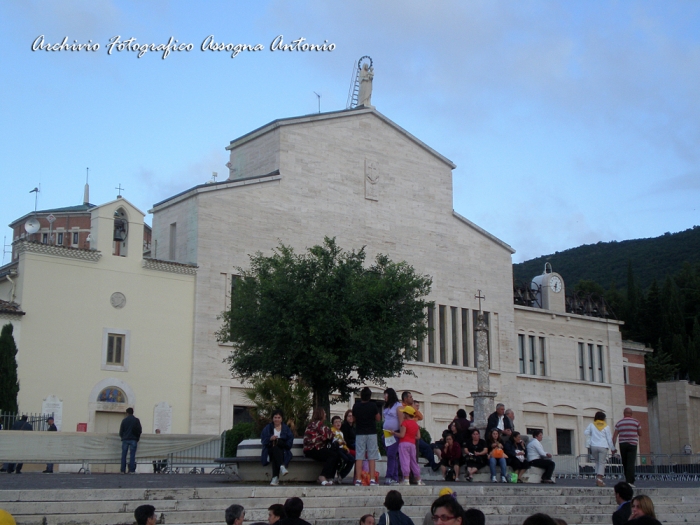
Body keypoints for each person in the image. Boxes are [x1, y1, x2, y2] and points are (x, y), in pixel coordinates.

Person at [401, 391, 440, 471]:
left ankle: (431, 463)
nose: (412, 399)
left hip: (414, 433)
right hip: (408, 434)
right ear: (405, 399)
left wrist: (413, 407)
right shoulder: (402, 407)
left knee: (425, 448)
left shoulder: (411, 408)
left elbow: (421, 417)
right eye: (410, 397)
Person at [303, 407, 339, 486]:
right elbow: (330, 435)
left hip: (310, 449)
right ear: (321, 414)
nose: (325, 414)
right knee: (333, 455)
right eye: (324, 413)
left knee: (334, 453)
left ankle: (329, 477)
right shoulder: (318, 424)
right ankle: (323, 476)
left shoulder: (312, 424)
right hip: (313, 449)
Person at [353, 386, 381, 486]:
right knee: (372, 456)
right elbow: (378, 418)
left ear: (361, 396)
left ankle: (358, 480)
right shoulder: (373, 406)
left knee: (359, 456)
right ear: (370, 396)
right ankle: (372, 479)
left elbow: (353, 419)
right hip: (371, 432)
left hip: (360, 432)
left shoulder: (356, 406)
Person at [261, 409, 294, 486]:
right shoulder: (268, 428)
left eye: (279, 417)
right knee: (275, 449)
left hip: (283, 451)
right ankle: (282, 467)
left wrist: (280, 441)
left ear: (281, 419)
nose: (277, 419)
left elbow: (289, 442)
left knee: (277, 451)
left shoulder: (286, 429)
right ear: (272, 418)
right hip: (270, 450)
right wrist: (270, 438)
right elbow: (263, 440)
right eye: (275, 417)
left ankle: (275, 478)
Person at [584, 411, 616, 487]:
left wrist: (590, 439)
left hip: (593, 446)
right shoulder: (606, 426)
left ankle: (597, 479)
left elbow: (586, 432)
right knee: (602, 463)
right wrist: (612, 448)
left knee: (597, 462)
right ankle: (600, 479)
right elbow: (609, 438)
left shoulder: (592, 425)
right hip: (603, 446)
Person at [394, 405, 424, 486]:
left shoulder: (404, 423)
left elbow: (402, 435)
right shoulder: (415, 424)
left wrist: (394, 433)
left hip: (403, 444)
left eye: (404, 413)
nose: (403, 414)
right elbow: (418, 436)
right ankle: (418, 480)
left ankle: (406, 479)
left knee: (405, 461)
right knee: (414, 462)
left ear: (407, 414)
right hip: (412, 444)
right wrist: (411, 436)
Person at [613, 407, 642, 486]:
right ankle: (630, 481)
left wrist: (613, 447)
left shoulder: (619, 423)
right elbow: (640, 433)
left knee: (625, 462)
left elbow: (614, 436)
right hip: (632, 444)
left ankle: (628, 479)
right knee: (631, 462)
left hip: (623, 444)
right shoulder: (636, 422)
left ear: (624, 414)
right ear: (631, 414)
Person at [383, 388, 402, 485]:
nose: (384, 397)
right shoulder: (386, 407)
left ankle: (390, 475)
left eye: (385, 395)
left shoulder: (398, 406)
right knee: (391, 456)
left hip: (394, 434)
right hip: (386, 434)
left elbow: (401, 421)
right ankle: (394, 477)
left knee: (391, 454)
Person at [331, 415, 355, 482]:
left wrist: (346, 448)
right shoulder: (332, 431)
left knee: (352, 459)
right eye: (336, 422)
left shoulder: (341, 432)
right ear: (333, 424)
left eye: (339, 422)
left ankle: (341, 475)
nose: (338, 423)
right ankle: (338, 471)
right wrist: (341, 443)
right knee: (345, 459)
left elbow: (343, 442)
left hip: (342, 449)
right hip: (336, 449)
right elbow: (334, 442)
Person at [119, 407, 142, 474]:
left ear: (127, 413)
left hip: (125, 439)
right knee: (132, 455)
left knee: (124, 455)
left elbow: (121, 431)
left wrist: (123, 437)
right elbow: (139, 430)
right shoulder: (136, 420)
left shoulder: (124, 420)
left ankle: (122, 470)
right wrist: (137, 438)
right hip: (133, 439)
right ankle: (132, 470)